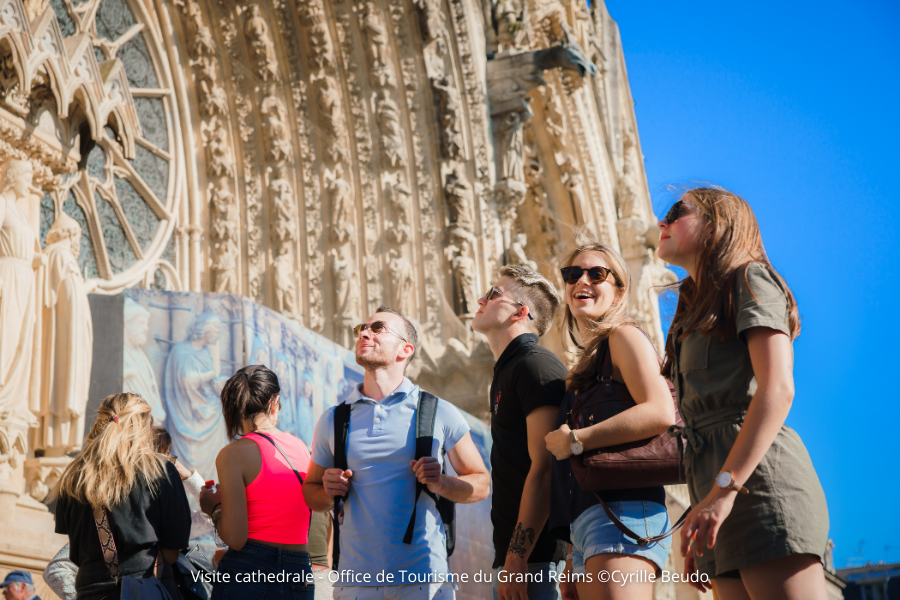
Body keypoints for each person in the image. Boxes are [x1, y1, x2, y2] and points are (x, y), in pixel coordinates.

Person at [656, 188, 829, 598]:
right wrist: (703, 506)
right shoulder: (690, 308)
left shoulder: (748, 277)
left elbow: (778, 388)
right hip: (718, 495)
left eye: (677, 211)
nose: (661, 222)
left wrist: (722, 494)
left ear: (718, 225)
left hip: (760, 486)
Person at [303, 305, 491, 600]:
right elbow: (311, 493)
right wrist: (327, 491)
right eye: (362, 328)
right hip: (355, 585)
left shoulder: (438, 411)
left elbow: (481, 483)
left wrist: (441, 482)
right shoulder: (333, 419)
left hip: (425, 582)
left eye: (378, 328)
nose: (364, 332)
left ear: (405, 349)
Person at [544, 243, 676, 600]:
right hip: (592, 519)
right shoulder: (587, 365)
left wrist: (576, 439)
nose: (581, 281)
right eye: (572, 275)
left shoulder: (623, 336)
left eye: (596, 274)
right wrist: (573, 549)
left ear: (619, 290)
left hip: (625, 511)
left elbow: (659, 410)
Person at [471, 265, 567, 600]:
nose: (481, 299)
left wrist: (517, 558)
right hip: (522, 560)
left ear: (521, 312)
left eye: (494, 293)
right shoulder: (510, 370)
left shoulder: (534, 365)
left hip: (538, 560)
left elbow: (546, 468)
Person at [53, 392, 191, 600]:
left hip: (90, 592)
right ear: (144, 428)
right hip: (144, 590)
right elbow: (171, 554)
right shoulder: (161, 471)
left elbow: (76, 546)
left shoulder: (74, 476)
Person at [199, 365, 315, 600]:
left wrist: (214, 508)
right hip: (299, 570)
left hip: (249, 569)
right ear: (274, 403)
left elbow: (235, 537)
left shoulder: (233, 454)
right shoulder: (301, 447)